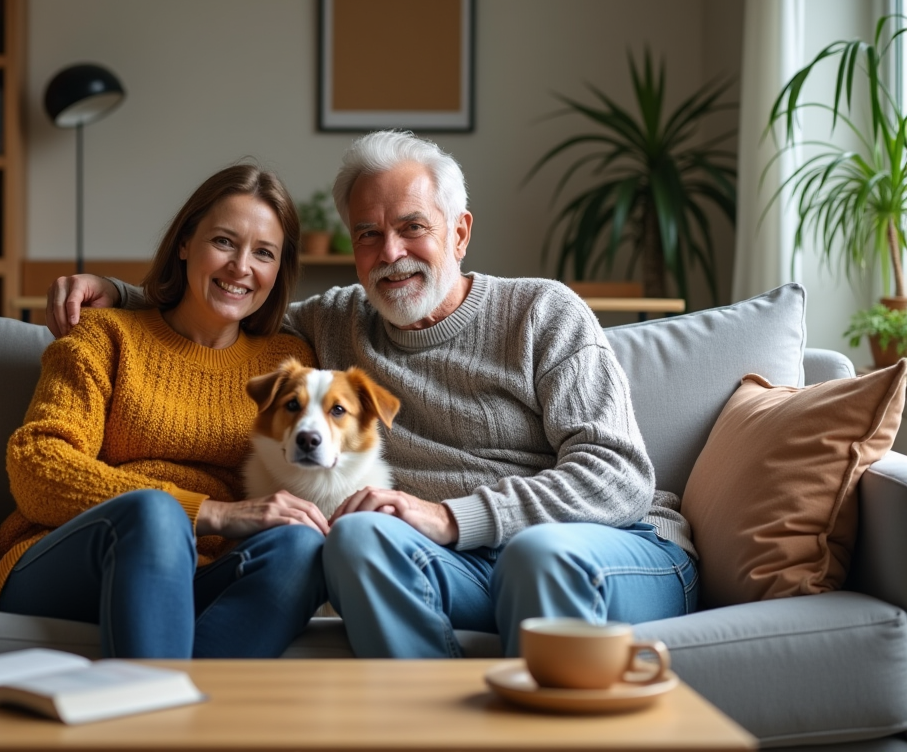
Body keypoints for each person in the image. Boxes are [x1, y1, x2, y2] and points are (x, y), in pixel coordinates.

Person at [44, 131, 698, 658]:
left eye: (413, 226)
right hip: (461, 566)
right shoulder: (332, 324)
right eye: (368, 234)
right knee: (353, 539)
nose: (391, 253)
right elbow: (231, 304)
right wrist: (119, 294)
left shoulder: (543, 313)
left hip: (609, 546)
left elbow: (618, 478)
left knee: (536, 555)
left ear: (460, 232)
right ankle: (428, 724)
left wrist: (451, 517)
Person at [0, 163, 330, 660]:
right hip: (67, 560)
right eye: (223, 241)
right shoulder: (106, 336)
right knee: (157, 513)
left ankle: (186, 719)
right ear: (184, 243)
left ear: (278, 270)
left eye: (264, 253)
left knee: (303, 548)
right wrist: (207, 511)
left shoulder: (290, 364)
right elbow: (36, 464)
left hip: (203, 572)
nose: (242, 267)